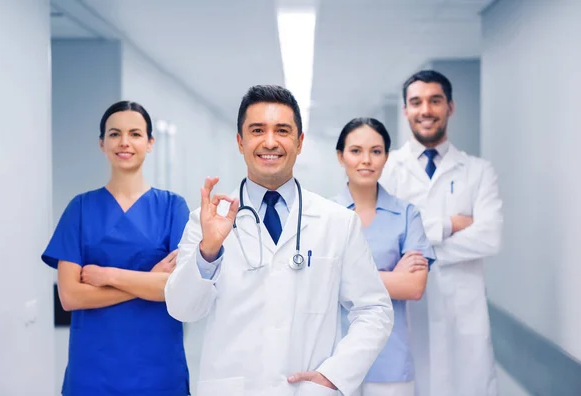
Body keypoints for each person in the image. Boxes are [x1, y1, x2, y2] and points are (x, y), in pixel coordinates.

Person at [164, 85, 394, 396]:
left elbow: (374, 310)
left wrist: (335, 375)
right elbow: (183, 310)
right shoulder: (205, 220)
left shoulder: (337, 222)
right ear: (240, 142)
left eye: (282, 131)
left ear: (299, 143)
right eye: (257, 130)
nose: (270, 142)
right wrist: (209, 250)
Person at [41, 101, 191, 395]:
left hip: (157, 367)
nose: (124, 142)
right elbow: (70, 296)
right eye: (114, 134)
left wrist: (108, 275)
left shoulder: (173, 208)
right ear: (101, 144)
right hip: (93, 368)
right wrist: (148, 279)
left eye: (135, 134)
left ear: (150, 143)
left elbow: (176, 288)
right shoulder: (80, 209)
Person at [380, 70, 503, 396]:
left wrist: (417, 248)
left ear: (450, 106)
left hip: (463, 313)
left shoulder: (478, 171)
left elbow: (489, 237)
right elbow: (384, 240)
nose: (426, 110)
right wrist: (448, 225)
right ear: (405, 110)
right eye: (416, 102)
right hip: (408, 313)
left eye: (435, 101)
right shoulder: (386, 169)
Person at [331, 117, 436, 396]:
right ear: (341, 157)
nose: (366, 160)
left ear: (386, 157)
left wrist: (344, 277)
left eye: (376, 151)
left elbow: (414, 287)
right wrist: (394, 276)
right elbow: (321, 282)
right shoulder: (325, 217)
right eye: (356, 151)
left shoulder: (406, 215)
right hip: (334, 359)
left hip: (391, 357)